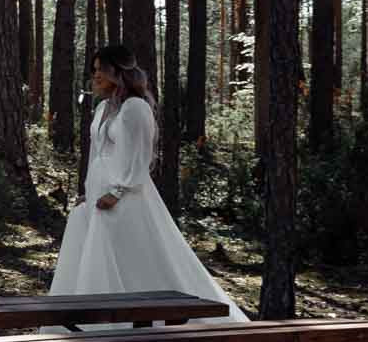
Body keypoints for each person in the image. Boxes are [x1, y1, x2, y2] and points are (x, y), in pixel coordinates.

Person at [49, 41, 250, 321]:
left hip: (124, 197)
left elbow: (140, 156)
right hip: (99, 194)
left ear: (118, 73)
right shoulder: (103, 108)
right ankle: (91, 329)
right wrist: (88, 190)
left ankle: (134, 328)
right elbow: (97, 152)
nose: (95, 76)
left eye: (101, 70)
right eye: (94, 70)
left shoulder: (135, 108)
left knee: (128, 259)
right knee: (96, 258)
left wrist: (117, 191)